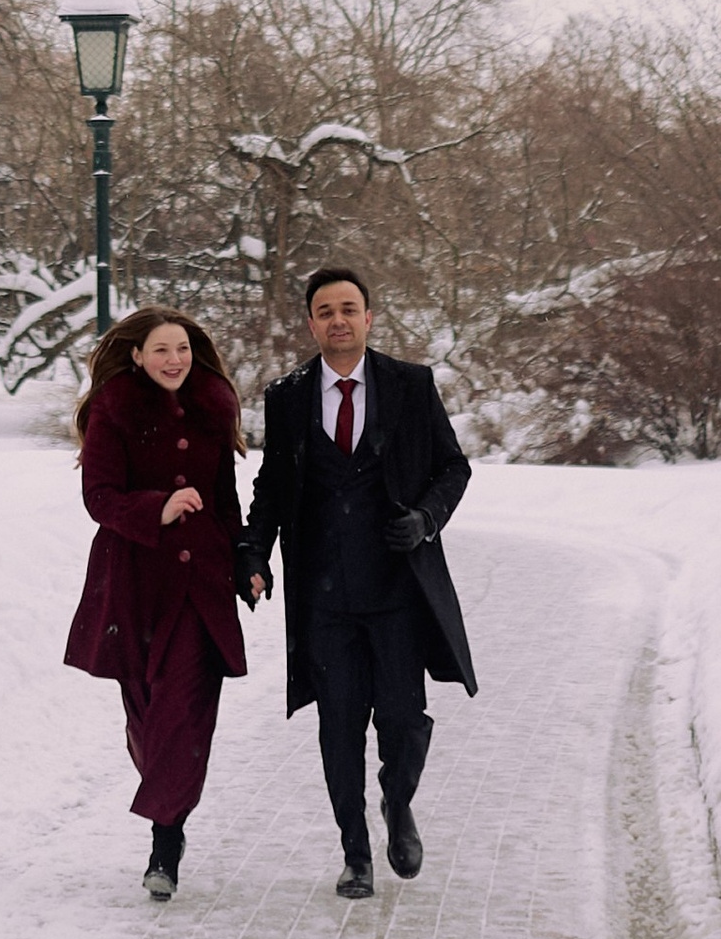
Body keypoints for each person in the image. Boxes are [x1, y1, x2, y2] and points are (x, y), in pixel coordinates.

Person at [238, 264, 474, 898]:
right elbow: (272, 488)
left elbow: (455, 468)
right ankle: (355, 854)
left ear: (369, 319)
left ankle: (398, 806)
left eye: (349, 309)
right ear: (311, 323)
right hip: (323, 598)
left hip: (397, 592)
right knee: (338, 726)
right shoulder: (287, 397)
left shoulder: (410, 385)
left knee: (402, 719)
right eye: (325, 311)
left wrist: (425, 518)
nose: (338, 320)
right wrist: (253, 552)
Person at [63, 305, 250, 900]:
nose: (175, 360)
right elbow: (99, 497)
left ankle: (164, 843)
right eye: (162, 350)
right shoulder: (114, 410)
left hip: (202, 588)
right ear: (138, 356)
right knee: (147, 711)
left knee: (183, 708)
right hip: (136, 584)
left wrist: (246, 563)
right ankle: (166, 808)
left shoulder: (213, 409)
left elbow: (226, 501)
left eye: (184, 350)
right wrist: (157, 509)